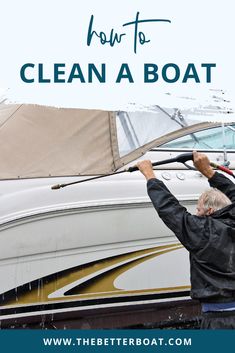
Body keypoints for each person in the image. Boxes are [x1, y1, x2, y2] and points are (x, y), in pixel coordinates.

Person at [137, 151, 235, 329]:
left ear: (210, 211)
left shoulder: (203, 232)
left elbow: (170, 210)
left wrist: (149, 176)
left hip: (220, 322)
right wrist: (208, 172)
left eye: (198, 210)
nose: (196, 214)